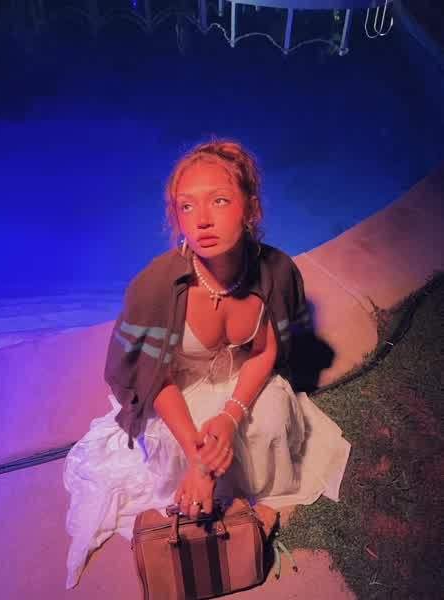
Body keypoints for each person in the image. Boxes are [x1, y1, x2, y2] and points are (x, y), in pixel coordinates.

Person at [63, 139, 350, 589]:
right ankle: (231, 500)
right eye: (187, 205)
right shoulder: (156, 287)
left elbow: (264, 353)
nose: (202, 219)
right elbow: (154, 378)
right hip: (175, 386)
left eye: (219, 200)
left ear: (250, 207)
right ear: (176, 217)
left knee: (271, 420)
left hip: (239, 377)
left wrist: (231, 418)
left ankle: (256, 499)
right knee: (176, 448)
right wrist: (199, 461)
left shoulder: (275, 272)